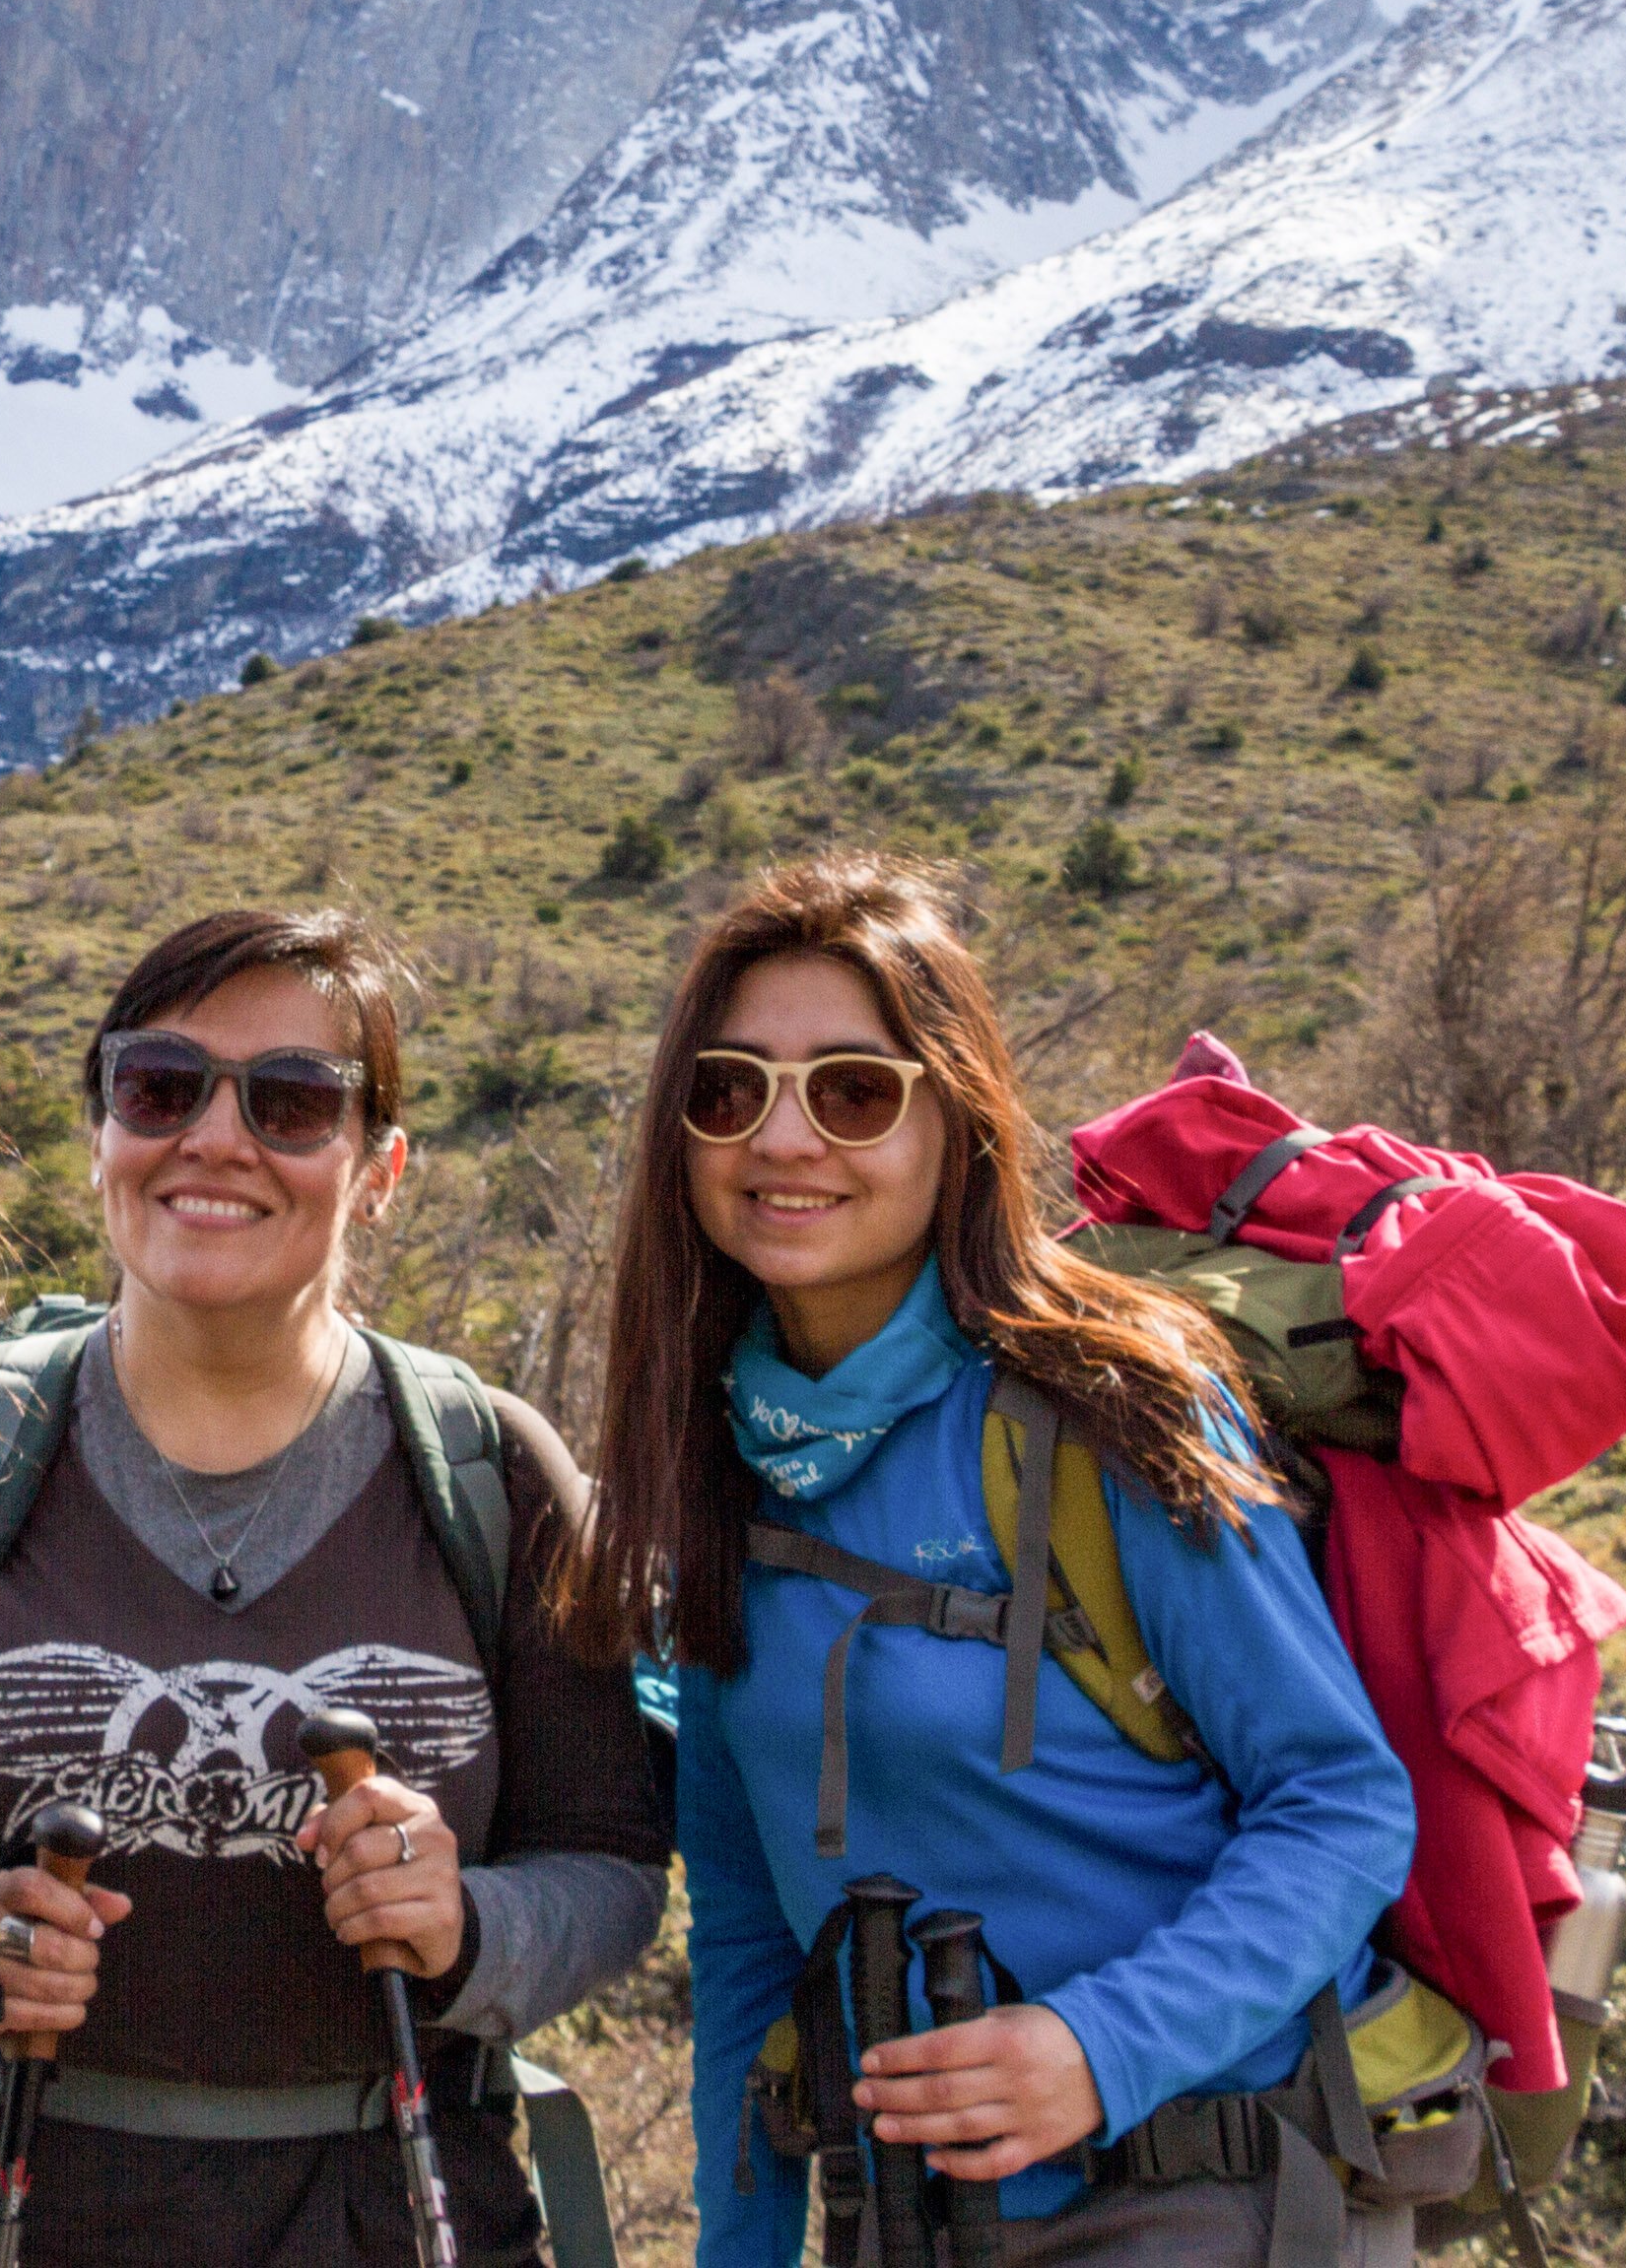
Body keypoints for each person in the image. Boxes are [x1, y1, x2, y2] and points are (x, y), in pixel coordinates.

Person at [0, 907, 668, 2268]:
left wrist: (470, 1926)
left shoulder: (491, 1471)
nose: (215, 1141)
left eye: (291, 1103)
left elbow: (614, 1862)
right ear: (103, 1129)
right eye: (163, 1088)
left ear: (378, 1168)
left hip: (395, 2217)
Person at [565, 855, 1420, 2268]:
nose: (783, 1140)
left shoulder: (1103, 1406)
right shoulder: (716, 1461)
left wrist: (1096, 2048)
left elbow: (1337, 1805)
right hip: (898, 2223)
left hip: (1205, 2200)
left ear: (954, 1123)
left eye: (851, 1090)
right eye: (729, 1091)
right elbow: (741, 1942)